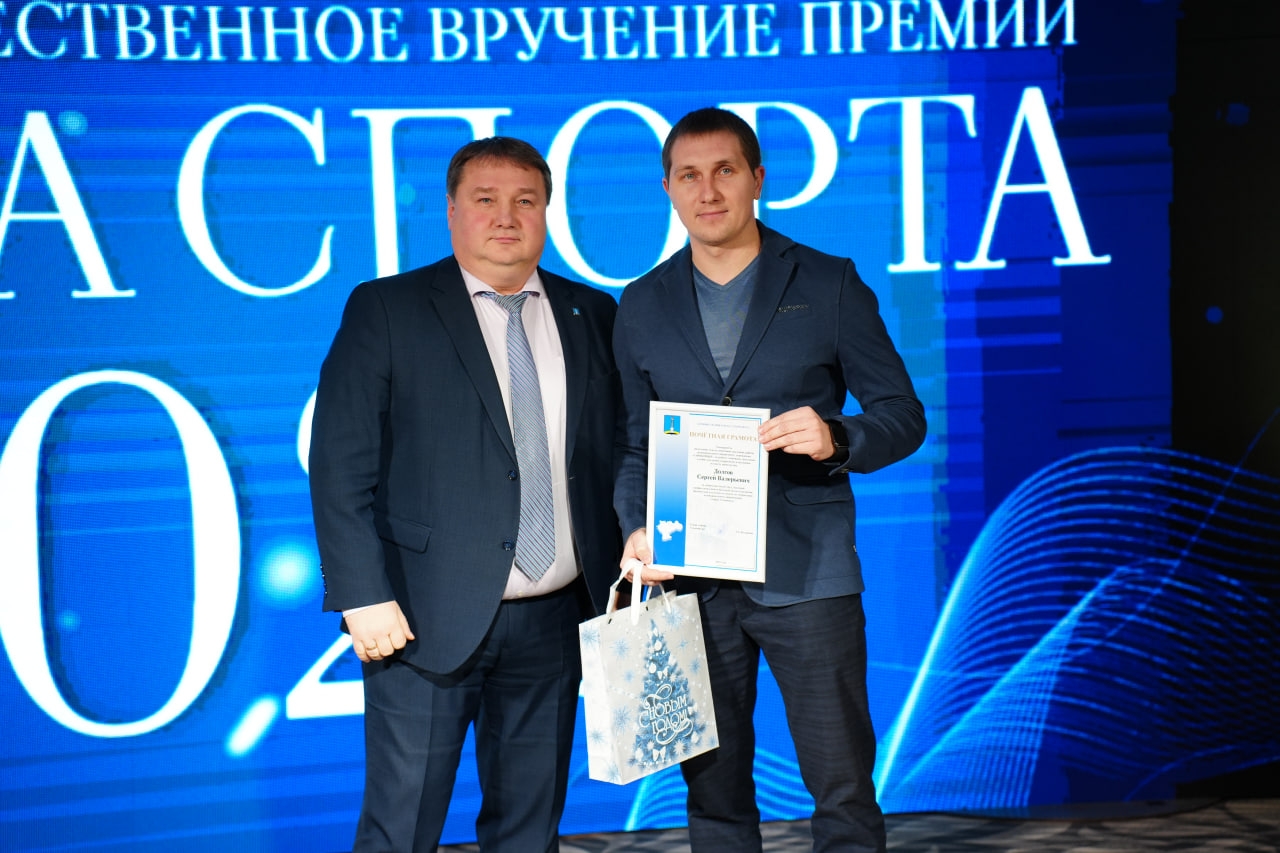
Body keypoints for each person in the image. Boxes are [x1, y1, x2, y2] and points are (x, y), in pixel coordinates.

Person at [612, 108, 926, 853]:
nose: (708, 190)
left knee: (842, 785)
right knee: (713, 793)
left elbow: (903, 415)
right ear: (667, 188)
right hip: (690, 580)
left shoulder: (828, 281)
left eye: (725, 170)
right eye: (689, 175)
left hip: (808, 573)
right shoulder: (641, 302)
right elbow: (633, 446)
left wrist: (837, 436)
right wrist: (636, 526)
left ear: (756, 178)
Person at [308, 136, 621, 853]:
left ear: (547, 211)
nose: (507, 216)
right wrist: (361, 594)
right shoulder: (387, 308)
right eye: (486, 199)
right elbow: (338, 465)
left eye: (525, 200)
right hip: (421, 619)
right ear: (451, 211)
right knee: (402, 827)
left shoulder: (592, 313)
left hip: (556, 619)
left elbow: (617, 449)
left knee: (528, 829)